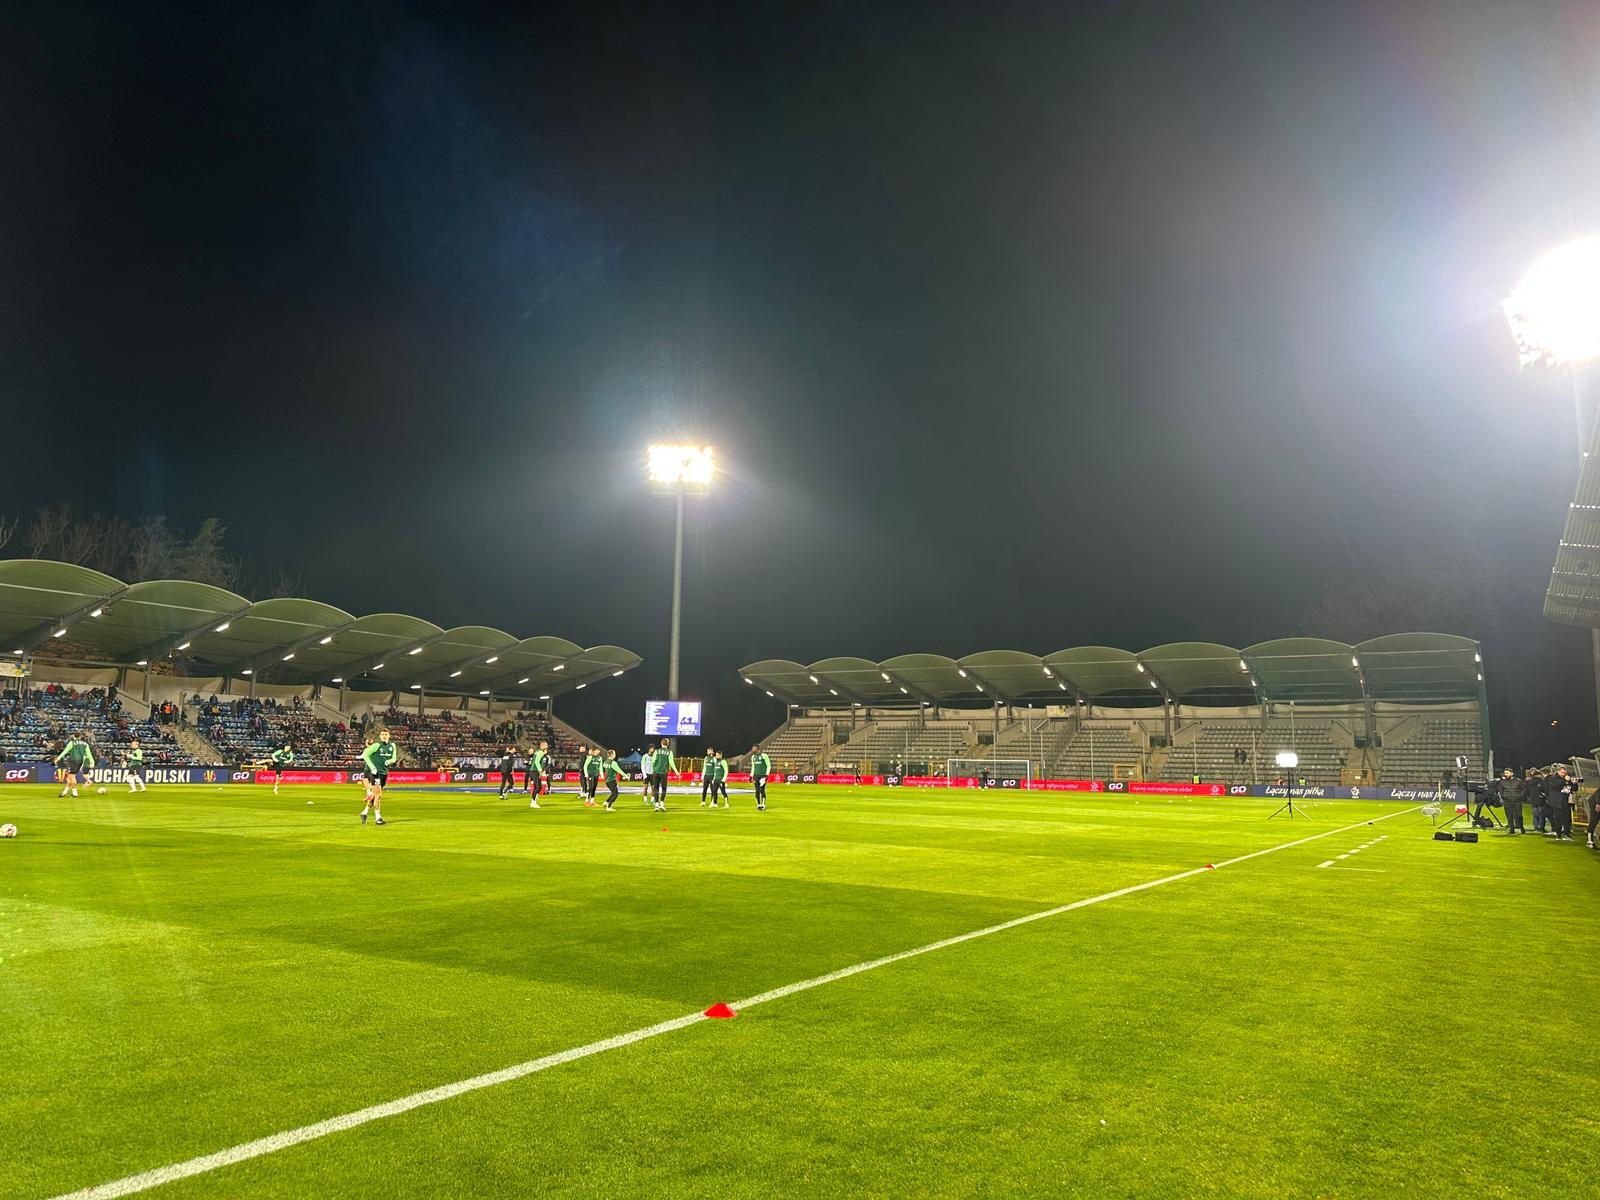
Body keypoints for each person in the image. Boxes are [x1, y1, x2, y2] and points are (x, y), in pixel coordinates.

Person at [360, 729, 398, 825]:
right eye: (382, 734)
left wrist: (390, 761)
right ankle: (378, 818)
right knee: (378, 795)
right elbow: (365, 755)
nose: (384, 736)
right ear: (380, 736)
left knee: (374, 796)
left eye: (386, 734)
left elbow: (394, 758)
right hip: (375, 774)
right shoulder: (376, 745)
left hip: (384, 773)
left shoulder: (392, 746)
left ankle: (364, 812)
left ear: (389, 736)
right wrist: (372, 768)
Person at [55, 732, 95, 797]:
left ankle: (75, 792)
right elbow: (89, 754)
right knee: (70, 777)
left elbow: (65, 751)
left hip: (74, 761)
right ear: (80, 737)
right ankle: (64, 792)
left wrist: (58, 758)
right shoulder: (85, 744)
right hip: (81, 761)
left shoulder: (72, 742)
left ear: (74, 736)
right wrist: (92, 762)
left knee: (72, 777)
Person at [1546, 766, 1575, 841]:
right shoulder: (1552, 778)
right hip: (1557, 802)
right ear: (1558, 771)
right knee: (1558, 819)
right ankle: (1558, 835)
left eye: (1564, 773)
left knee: (1567, 819)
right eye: (1562, 773)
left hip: (1567, 801)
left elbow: (1574, 788)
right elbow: (1555, 786)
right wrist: (1564, 779)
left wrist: (1574, 783)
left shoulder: (1567, 778)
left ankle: (1567, 834)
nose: (1563, 774)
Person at [1495, 767, 1525, 835]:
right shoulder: (1502, 782)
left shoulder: (1518, 781)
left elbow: (1523, 789)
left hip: (1517, 801)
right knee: (1509, 815)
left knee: (1519, 815)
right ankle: (1512, 829)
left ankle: (1521, 827)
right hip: (1507, 801)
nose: (1506, 774)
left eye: (1507, 773)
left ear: (1512, 773)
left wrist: (1519, 796)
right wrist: (1504, 796)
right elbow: (1500, 790)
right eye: (1505, 773)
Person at [650, 741, 676, 811]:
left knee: (656, 788)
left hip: (656, 772)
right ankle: (661, 804)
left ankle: (656, 805)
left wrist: (654, 768)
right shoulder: (669, 752)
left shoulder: (656, 751)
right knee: (664, 788)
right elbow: (671, 763)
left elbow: (653, 761)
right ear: (668, 744)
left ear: (661, 744)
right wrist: (676, 772)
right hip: (664, 772)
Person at [750, 744, 772, 811]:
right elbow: (753, 767)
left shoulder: (764, 755)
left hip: (763, 775)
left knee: (762, 789)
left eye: (754, 748)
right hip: (756, 775)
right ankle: (758, 804)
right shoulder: (753, 757)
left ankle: (763, 804)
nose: (752, 749)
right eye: (752, 748)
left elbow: (768, 765)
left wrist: (766, 775)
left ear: (758, 749)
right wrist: (751, 775)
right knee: (757, 790)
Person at [528, 739, 549, 808]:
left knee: (537, 787)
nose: (547, 746)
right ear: (542, 745)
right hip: (535, 771)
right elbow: (537, 762)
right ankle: (533, 802)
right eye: (546, 745)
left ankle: (534, 799)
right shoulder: (540, 752)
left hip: (532, 770)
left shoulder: (537, 751)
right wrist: (540, 771)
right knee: (538, 787)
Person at [1529, 768, 1549, 834]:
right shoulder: (1542, 781)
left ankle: (1536, 827)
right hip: (1541, 800)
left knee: (1535, 815)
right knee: (1541, 815)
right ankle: (1541, 828)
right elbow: (1545, 790)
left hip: (1532, 800)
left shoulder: (1530, 782)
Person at [642, 741, 658, 806]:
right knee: (645, 788)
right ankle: (645, 800)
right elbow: (642, 765)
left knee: (653, 788)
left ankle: (652, 800)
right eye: (651, 748)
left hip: (653, 774)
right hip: (646, 774)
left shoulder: (655, 756)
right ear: (649, 749)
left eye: (653, 748)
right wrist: (644, 774)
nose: (652, 750)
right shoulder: (645, 756)